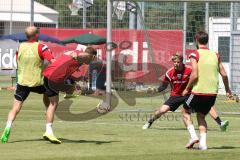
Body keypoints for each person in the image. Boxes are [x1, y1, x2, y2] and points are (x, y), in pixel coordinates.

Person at [1, 26, 55, 143]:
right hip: (38, 82)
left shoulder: (20, 47)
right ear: (36, 35)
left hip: (23, 82)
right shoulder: (41, 47)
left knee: (15, 108)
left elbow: (17, 62)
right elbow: (53, 61)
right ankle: (48, 127)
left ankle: (7, 127)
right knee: (51, 99)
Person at [182, 31, 233, 150]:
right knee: (201, 116)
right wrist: (227, 90)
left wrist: (187, 88)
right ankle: (203, 145)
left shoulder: (194, 54)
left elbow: (194, 75)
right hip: (212, 93)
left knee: (185, 112)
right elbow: (224, 75)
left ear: (196, 40)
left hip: (198, 91)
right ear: (207, 40)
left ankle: (193, 136)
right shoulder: (216, 54)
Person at [42, 46, 97, 144]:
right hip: (54, 77)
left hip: (47, 75)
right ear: (92, 57)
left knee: (53, 103)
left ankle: (48, 131)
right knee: (77, 90)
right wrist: (76, 56)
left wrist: (78, 78)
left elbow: (67, 65)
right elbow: (78, 55)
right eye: (93, 59)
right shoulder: (86, 55)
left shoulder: (75, 52)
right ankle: (69, 94)